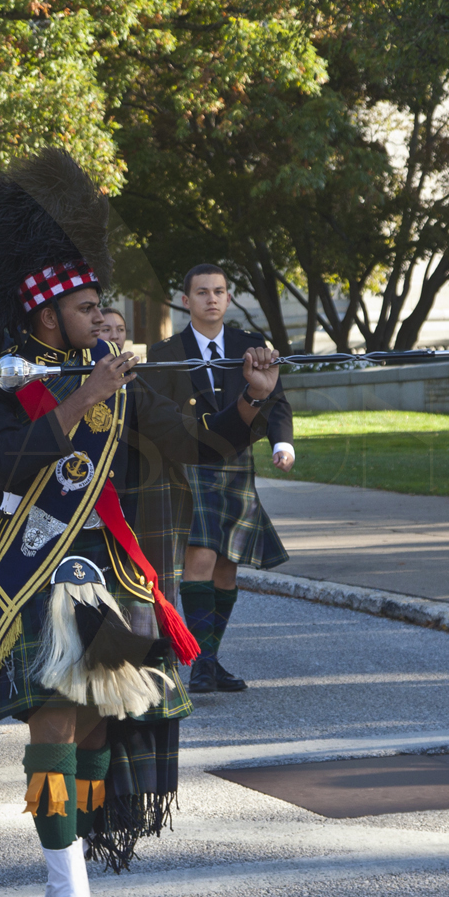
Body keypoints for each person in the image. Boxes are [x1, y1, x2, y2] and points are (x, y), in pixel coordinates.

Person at [0, 148, 280, 897]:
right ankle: (64, 891)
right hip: (32, 569)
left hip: (106, 567)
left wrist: (250, 403)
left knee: (97, 724)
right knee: (55, 723)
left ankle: (79, 868)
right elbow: (8, 466)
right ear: (44, 314)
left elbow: (196, 449)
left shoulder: (115, 380)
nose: (100, 315)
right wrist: (81, 398)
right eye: (85, 305)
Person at [147, 264, 294, 694]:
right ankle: (201, 662)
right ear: (185, 300)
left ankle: (208, 659)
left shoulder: (252, 346)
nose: (212, 298)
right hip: (190, 462)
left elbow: (276, 402)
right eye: (202, 292)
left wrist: (282, 444)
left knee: (227, 568)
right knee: (201, 560)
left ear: (228, 299)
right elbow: (159, 414)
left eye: (220, 291)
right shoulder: (165, 352)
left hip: (235, 463)